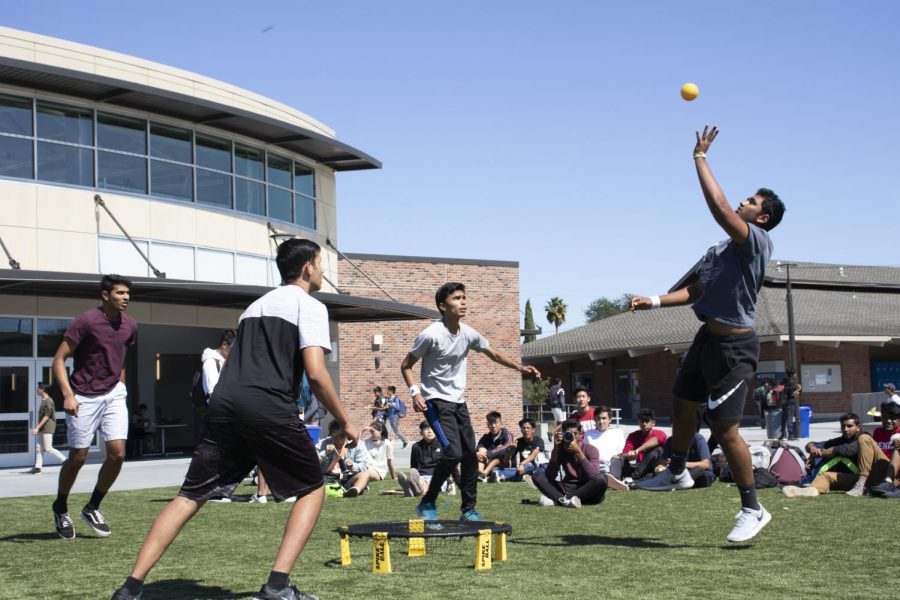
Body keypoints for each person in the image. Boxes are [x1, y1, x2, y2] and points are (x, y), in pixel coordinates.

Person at [111, 238, 359, 600]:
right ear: (307, 266)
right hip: (268, 405)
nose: (322, 271)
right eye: (320, 264)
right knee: (312, 488)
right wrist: (345, 420)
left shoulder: (254, 307)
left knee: (189, 496)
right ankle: (277, 586)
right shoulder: (309, 306)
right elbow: (317, 374)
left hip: (225, 406)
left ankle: (130, 588)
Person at [629, 125, 786, 542]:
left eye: (752, 201)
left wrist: (700, 158)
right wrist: (656, 300)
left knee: (723, 428)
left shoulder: (756, 242)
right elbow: (697, 288)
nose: (744, 201)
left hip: (736, 347)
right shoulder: (719, 250)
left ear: (762, 217)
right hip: (707, 341)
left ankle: (753, 508)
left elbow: (719, 206)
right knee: (682, 404)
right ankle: (677, 472)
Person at [401, 281, 541, 522]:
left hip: (458, 403)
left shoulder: (468, 333)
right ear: (443, 306)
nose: (463, 302)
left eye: (464, 297)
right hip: (435, 402)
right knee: (452, 453)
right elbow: (406, 366)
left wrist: (520, 367)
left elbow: (494, 354)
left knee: (469, 455)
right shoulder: (430, 335)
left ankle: (468, 510)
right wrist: (415, 393)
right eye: (457, 298)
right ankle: (427, 502)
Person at [51, 274, 138, 540]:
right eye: (120, 293)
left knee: (118, 455)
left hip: (113, 394)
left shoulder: (130, 325)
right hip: (83, 395)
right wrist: (67, 395)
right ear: (105, 295)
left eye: (127, 294)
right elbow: (59, 359)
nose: (125, 298)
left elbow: (119, 358)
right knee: (78, 457)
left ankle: (93, 506)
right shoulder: (86, 321)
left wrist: (119, 386)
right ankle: (61, 506)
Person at [782, 412, 892, 498]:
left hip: (880, 474)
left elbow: (844, 450)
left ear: (858, 427)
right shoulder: (842, 439)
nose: (846, 429)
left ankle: (861, 486)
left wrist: (819, 453)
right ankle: (810, 490)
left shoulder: (864, 436)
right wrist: (812, 448)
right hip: (860, 480)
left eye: (850, 426)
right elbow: (817, 444)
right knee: (826, 476)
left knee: (863, 440)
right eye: (843, 426)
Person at [524, 419, 607, 508]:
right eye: (568, 434)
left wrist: (579, 452)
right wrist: (556, 449)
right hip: (568, 487)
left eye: (574, 434)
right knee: (537, 475)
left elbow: (594, 475)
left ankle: (561, 499)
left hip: (588, 489)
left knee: (602, 479)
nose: (572, 437)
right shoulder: (560, 450)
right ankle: (566, 501)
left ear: (581, 434)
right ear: (563, 435)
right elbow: (550, 476)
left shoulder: (591, 449)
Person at [638, 433, 714, 490]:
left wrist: (680, 464)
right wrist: (659, 469)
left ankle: (674, 483)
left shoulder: (698, 439)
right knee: (651, 475)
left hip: (702, 475)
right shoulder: (671, 440)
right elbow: (663, 464)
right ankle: (634, 484)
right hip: (678, 473)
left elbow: (705, 464)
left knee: (698, 470)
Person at [399, 420, 456, 497]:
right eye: (426, 429)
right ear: (421, 433)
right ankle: (414, 487)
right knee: (421, 483)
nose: (429, 431)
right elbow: (414, 467)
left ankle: (411, 489)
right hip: (423, 475)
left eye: (432, 428)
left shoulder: (443, 444)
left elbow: (449, 465)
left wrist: (450, 482)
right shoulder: (416, 447)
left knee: (428, 487)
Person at [317, 420, 369, 498]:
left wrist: (353, 466)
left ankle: (355, 490)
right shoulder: (323, 443)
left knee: (365, 474)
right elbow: (312, 462)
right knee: (314, 484)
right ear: (331, 435)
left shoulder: (357, 445)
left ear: (346, 435)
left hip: (348, 476)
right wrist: (325, 454)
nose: (339, 441)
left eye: (342, 437)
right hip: (327, 476)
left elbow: (364, 466)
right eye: (335, 437)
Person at [617, 409, 667, 482]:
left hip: (656, 467)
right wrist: (628, 455)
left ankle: (634, 477)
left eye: (647, 421)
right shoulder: (633, 436)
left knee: (657, 449)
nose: (644, 424)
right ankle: (619, 478)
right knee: (618, 458)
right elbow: (627, 451)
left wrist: (637, 450)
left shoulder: (660, 433)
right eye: (641, 421)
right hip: (640, 466)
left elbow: (655, 440)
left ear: (653, 423)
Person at [489, 417, 545, 482]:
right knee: (495, 469)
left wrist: (522, 464)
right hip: (521, 470)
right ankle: (506, 477)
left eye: (528, 428)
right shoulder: (519, 441)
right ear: (521, 430)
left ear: (533, 430)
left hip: (535, 469)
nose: (526, 430)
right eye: (524, 428)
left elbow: (534, 455)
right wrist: (509, 449)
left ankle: (503, 476)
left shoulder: (539, 440)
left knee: (529, 465)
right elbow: (507, 462)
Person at [29, 382, 65, 474]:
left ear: (43, 390)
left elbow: (47, 416)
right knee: (39, 448)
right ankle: (38, 468)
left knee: (48, 448)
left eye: (38, 388)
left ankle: (65, 461)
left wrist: (37, 427)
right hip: (42, 428)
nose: (37, 390)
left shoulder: (48, 401)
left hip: (47, 427)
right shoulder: (43, 400)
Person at [584, 405, 626, 479]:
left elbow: (619, 453)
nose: (601, 421)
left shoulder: (618, 433)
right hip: (596, 464)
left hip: (612, 463)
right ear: (594, 419)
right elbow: (588, 454)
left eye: (604, 418)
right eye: (598, 419)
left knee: (616, 460)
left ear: (609, 419)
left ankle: (613, 479)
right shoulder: (589, 434)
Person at [870, 402, 900, 497]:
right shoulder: (877, 432)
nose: (888, 421)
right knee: (864, 438)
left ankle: (890, 483)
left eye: (893, 418)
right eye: (885, 417)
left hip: (895, 472)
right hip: (880, 468)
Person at [476, 411, 515, 481]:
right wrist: (479, 451)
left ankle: (484, 474)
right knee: (480, 454)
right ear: (487, 425)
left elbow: (506, 446)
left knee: (499, 457)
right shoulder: (486, 437)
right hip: (489, 463)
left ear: (501, 423)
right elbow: (478, 446)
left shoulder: (508, 435)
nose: (493, 426)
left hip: (504, 463)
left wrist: (488, 453)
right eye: (491, 423)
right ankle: (480, 473)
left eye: (495, 423)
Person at [201, 329, 235, 398]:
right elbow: (213, 391)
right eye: (233, 349)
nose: (235, 353)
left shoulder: (228, 362)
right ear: (224, 345)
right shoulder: (211, 362)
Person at [779, 368, 801, 440]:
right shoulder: (791, 382)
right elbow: (792, 394)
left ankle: (782, 435)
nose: (795, 375)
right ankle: (790, 435)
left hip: (783, 402)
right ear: (791, 374)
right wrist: (798, 389)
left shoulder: (783, 381)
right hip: (790, 402)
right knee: (789, 419)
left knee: (784, 419)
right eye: (795, 373)